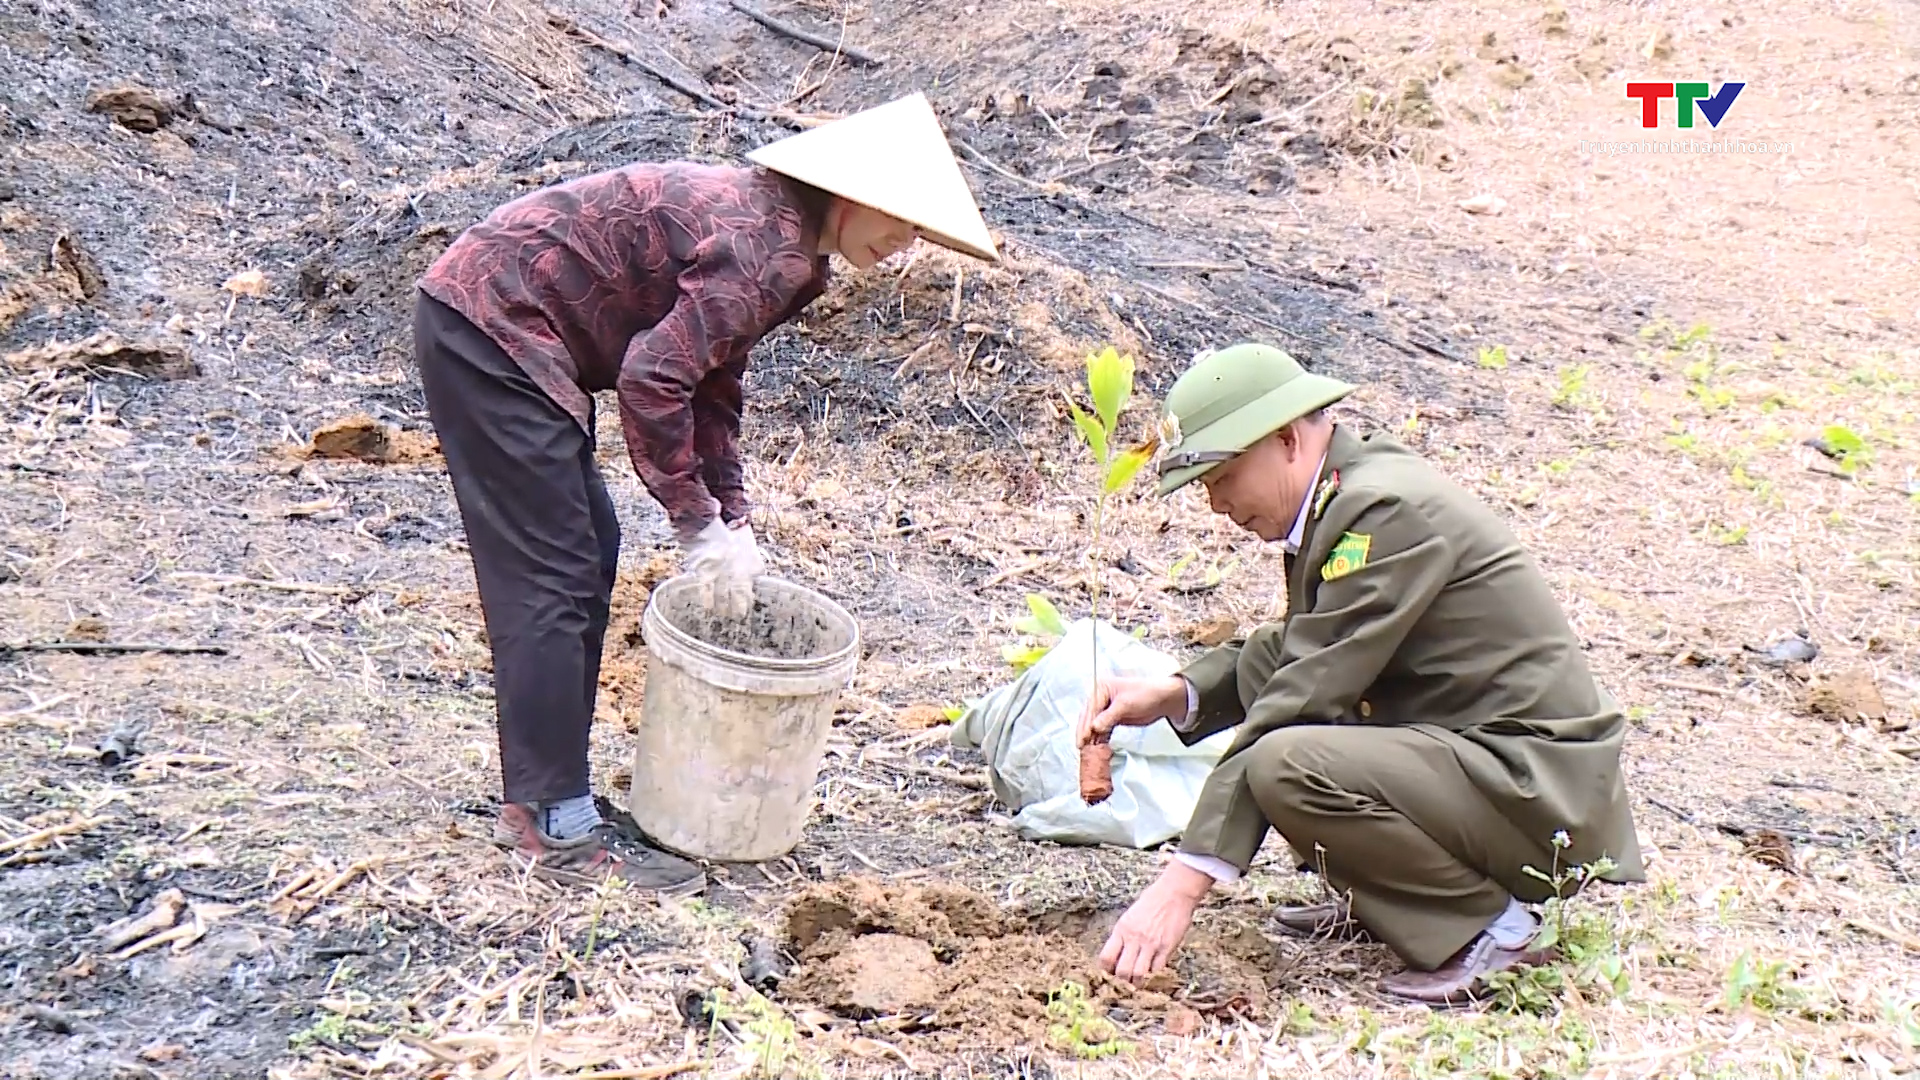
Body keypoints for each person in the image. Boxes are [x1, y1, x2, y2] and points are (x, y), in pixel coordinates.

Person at [411, 93, 999, 896]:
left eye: (920, 233)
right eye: (902, 223)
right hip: (492, 322)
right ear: (854, 195)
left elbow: (711, 382)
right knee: (554, 568)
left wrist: (733, 513)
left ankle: (559, 798)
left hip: (503, 320)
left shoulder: (788, 244)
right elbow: (653, 380)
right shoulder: (769, 246)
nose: (904, 246)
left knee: (591, 549)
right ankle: (552, 820)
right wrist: (693, 519)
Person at [1077, 343, 1645, 1005]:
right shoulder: (1346, 496)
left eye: (1221, 477)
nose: (1215, 504)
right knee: (1291, 734)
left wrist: (1181, 885)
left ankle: (1496, 930)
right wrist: (1178, 693)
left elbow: (1303, 693)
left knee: (1288, 761)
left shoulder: (1383, 512)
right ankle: (1398, 899)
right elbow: (1300, 648)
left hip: (1538, 795)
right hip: (1497, 768)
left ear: (1286, 438)